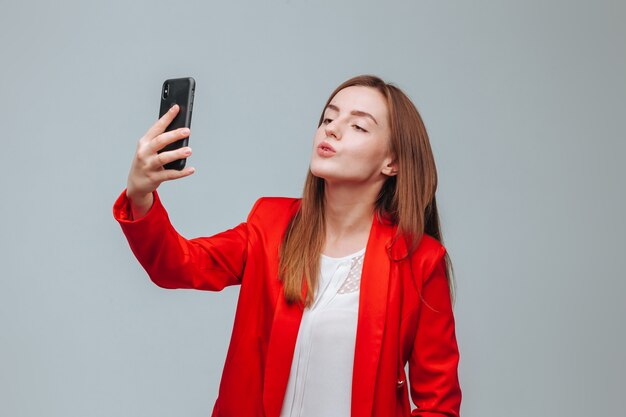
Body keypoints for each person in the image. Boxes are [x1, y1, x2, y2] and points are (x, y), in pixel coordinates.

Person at [113, 75, 461, 417]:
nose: (332, 129)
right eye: (328, 117)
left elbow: (438, 405)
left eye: (358, 126)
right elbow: (177, 264)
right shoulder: (270, 224)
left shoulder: (420, 262)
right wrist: (140, 195)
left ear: (393, 161)